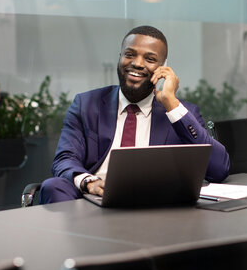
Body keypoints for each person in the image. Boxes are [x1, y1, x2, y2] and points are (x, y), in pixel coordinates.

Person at [40, 25, 230, 204]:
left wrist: (171, 103)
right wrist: (90, 182)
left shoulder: (179, 112)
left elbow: (218, 170)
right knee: (53, 186)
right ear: (120, 57)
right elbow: (65, 159)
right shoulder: (86, 104)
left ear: (163, 68)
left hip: (155, 205)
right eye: (130, 54)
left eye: (150, 59)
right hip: (94, 199)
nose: (137, 63)